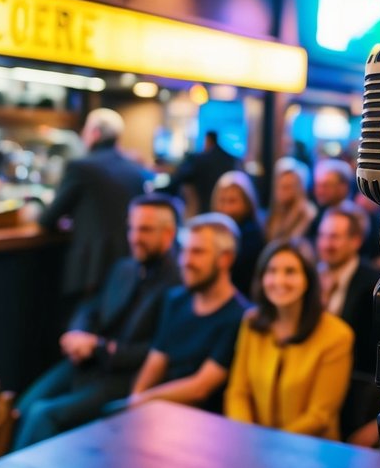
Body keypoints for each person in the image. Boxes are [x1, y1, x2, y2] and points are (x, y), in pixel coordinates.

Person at [15, 194, 182, 448]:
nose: (135, 238)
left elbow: (159, 351)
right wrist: (77, 333)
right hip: (87, 362)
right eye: (132, 229)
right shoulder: (124, 268)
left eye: (146, 230)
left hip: (122, 376)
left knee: (43, 415)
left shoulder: (177, 286)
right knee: (21, 408)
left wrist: (98, 346)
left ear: (169, 235)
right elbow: (90, 307)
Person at [224, 239, 354, 440]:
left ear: (308, 279)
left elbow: (320, 416)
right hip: (252, 444)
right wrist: (246, 435)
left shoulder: (337, 335)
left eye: (290, 272)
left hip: (311, 450)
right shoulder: (252, 322)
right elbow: (237, 392)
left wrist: (270, 444)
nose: (279, 281)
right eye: (271, 271)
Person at [126, 213, 250, 413]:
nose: (185, 261)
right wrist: (136, 398)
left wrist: (145, 399)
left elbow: (200, 388)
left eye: (197, 252)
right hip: (158, 414)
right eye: (184, 251)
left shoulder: (240, 316)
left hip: (202, 424)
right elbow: (156, 360)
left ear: (225, 259)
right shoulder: (175, 300)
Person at [40, 108, 148, 300]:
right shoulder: (135, 170)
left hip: (89, 272)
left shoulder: (81, 167)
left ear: (95, 133)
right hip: (128, 269)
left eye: (85, 131)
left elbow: (48, 219)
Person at [315, 201, 380, 377]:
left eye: (334, 237)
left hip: (351, 376)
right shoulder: (309, 275)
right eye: (322, 236)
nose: (326, 245)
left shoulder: (374, 284)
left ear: (356, 241)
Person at [210, 169, 265, 294]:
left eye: (232, 201)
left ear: (247, 202)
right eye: (222, 200)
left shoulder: (253, 235)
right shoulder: (214, 231)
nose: (226, 208)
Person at [167, 130, 238, 217]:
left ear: (207, 140)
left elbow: (180, 177)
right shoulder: (231, 159)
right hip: (227, 211)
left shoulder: (200, 159)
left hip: (203, 209)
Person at [264, 157, 317, 243]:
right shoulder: (273, 215)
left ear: (299, 188)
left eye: (288, 187)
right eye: (280, 186)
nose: (282, 192)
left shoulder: (309, 216)